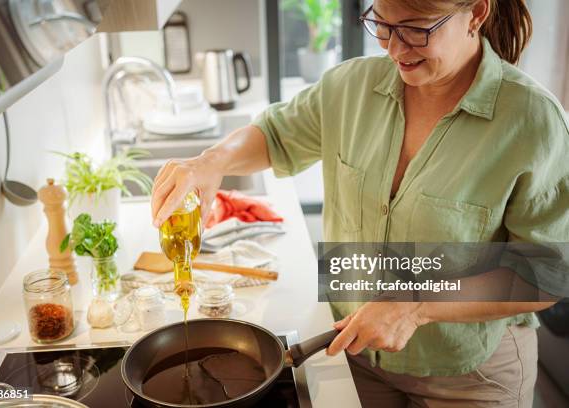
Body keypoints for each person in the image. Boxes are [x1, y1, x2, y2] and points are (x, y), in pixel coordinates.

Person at [151, 0, 569, 406]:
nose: (394, 48)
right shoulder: (349, 88)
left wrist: (417, 306)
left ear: (476, 12)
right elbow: (275, 135)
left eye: (416, 29)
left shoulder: (531, 120)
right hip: (355, 356)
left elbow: (545, 273)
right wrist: (210, 162)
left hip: (470, 374)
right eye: (383, 24)